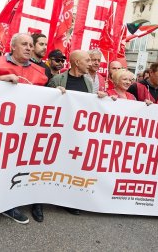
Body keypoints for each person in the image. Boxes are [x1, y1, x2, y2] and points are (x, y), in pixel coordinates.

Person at [0, 34, 47, 227]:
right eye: (24, 44)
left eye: (31, 45)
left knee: (12, 169)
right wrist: (0, 80)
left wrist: (59, 93)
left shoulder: (40, 73)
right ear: (13, 46)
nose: (29, 48)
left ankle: (8, 205)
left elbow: (47, 100)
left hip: (23, 131)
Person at [39, 50, 107, 221]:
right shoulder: (58, 80)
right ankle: (38, 201)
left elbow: (89, 104)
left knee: (69, 166)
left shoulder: (88, 81)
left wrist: (99, 98)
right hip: (56, 132)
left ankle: (67, 199)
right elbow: (44, 102)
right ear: (77, 62)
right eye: (87, 60)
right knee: (47, 165)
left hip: (75, 133)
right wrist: (54, 93)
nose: (91, 64)